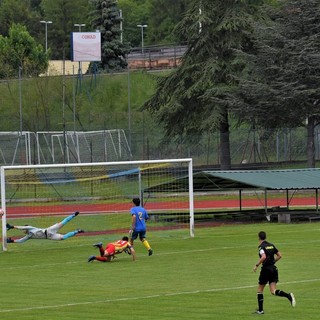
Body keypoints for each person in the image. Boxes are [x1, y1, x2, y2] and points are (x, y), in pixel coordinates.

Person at [252, 231, 296, 314]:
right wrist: (273, 262)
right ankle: (288, 295)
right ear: (265, 237)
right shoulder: (271, 245)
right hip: (273, 269)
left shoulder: (261, 247)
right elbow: (280, 255)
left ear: (259, 238)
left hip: (266, 270)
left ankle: (260, 311)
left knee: (260, 290)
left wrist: (256, 265)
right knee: (273, 291)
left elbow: (263, 257)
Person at [6, 211, 84, 243]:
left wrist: (12, 226)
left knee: (62, 223)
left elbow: (21, 227)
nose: (23, 231)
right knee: (63, 238)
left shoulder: (30, 228)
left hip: (49, 230)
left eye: (24, 229)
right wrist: (12, 241)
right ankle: (77, 231)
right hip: (50, 237)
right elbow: (21, 240)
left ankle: (73, 215)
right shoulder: (29, 236)